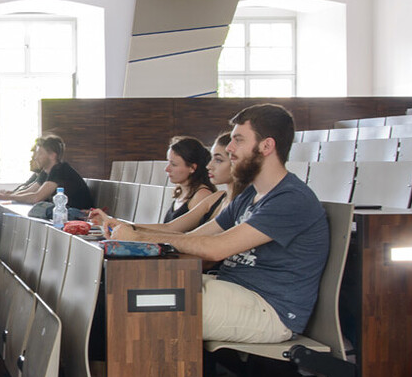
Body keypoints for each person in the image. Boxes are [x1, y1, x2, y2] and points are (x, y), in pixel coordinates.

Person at [130, 104, 329, 344]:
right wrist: (131, 232)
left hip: (269, 310)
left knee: (145, 307)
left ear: (267, 146)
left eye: (238, 140)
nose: (231, 149)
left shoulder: (291, 198)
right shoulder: (249, 194)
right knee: (132, 290)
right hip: (231, 290)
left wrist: (139, 239)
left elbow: (215, 249)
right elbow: (196, 237)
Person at [91, 134, 231, 237]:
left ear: (192, 167)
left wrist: (130, 231)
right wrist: (118, 224)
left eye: (174, 164)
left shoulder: (203, 195)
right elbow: (168, 227)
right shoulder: (208, 196)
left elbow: (183, 235)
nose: (167, 169)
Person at [0, 135, 94, 216]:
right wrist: (10, 194)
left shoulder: (60, 169)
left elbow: (37, 197)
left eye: (40, 153)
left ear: (52, 155)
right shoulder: (46, 171)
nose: (36, 157)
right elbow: (30, 191)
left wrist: (9, 197)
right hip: (63, 214)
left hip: (79, 215)